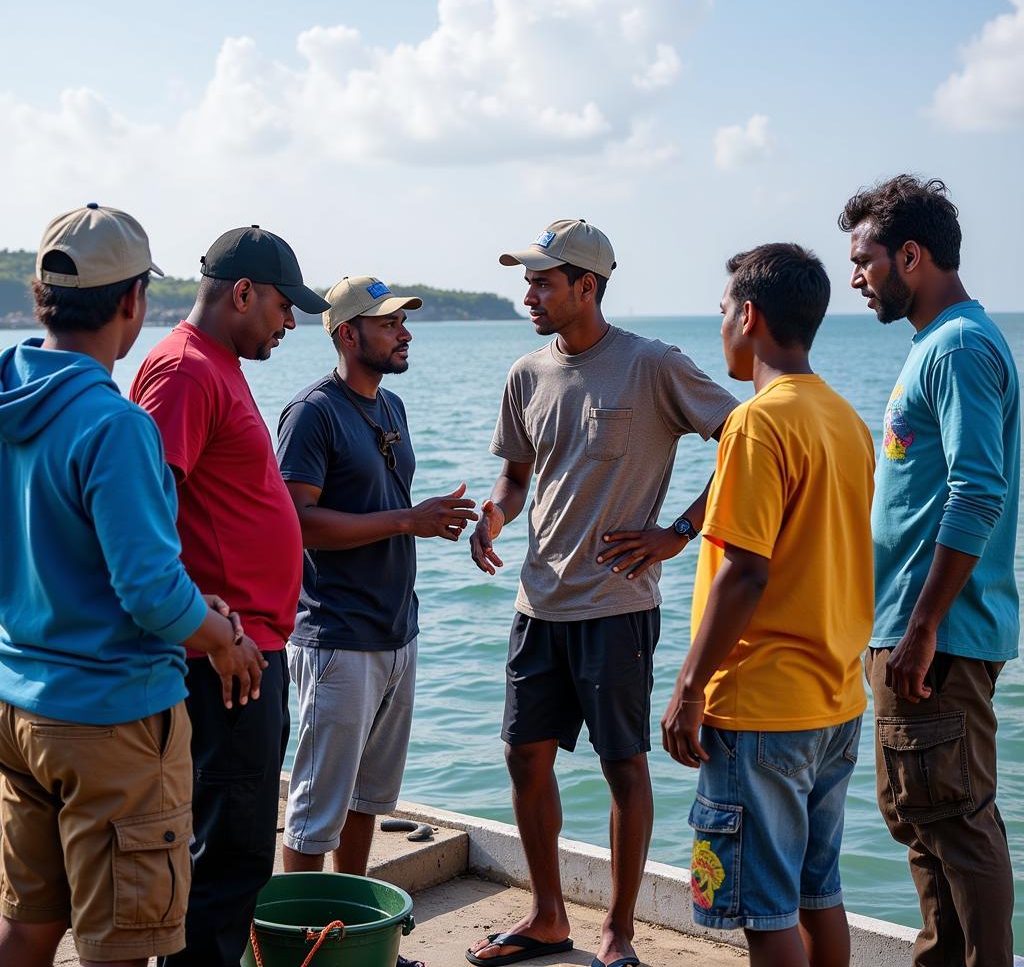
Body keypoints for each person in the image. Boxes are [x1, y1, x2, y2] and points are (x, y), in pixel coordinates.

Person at [467, 220, 737, 967]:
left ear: (587, 286)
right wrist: (493, 514)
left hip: (617, 607)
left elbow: (747, 440)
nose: (529, 294)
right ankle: (548, 916)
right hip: (538, 604)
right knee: (525, 758)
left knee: (624, 764)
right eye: (528, 281)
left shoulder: (652, 365)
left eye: (543, 282)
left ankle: (617, 931)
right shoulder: (526, 374)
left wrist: (679, 531)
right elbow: (518, 476)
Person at [0, 205, 263, 967]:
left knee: (28, 924)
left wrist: (189, 604)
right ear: (133, 302)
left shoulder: (13, 403)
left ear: (43, 297)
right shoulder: (112, 424)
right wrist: (222, 635)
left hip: (22, 708)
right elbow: (149, 593)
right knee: (122, 946)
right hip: (110, 724)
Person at [661, 243, 874, 967]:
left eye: (723, 311)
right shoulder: (844, 419)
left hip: (763, 707)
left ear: (749, 315)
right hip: (836, 699)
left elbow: (745, 573)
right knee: (819, 893)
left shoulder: (758, 422)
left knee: (766, 909)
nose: (720, 325)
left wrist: (690, 688)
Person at [130, 226, 329, 967]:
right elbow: (144, 517)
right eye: (283, 306)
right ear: (242, 292)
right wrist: (208, 632)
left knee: (235, 851)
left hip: (248, 651)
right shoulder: (184, 370)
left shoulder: (217, 365)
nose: (291, 322)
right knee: (226, 860)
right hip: (221, 661)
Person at [840, 175, 1019, 967]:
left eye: (865, 260)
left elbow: (977, 492)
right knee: (921, 822)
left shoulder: (958, 346)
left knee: (954, 819)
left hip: (935, 637)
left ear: (910, 256)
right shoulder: (938, 345)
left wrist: (921, 628)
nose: (856, 278)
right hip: (916, 632)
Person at [277, 277, 478, 965]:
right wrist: (405, 520)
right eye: (389, 323)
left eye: (403, 323)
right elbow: (296, 522)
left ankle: (351, 944)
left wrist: (427, 520)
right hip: (337, 638)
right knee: (316, 811)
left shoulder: (390, 405)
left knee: (368, 799)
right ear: (346, 335)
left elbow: (379, 509)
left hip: (398, 632)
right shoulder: (312, 413)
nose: (404, 333)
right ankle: (298, 952)